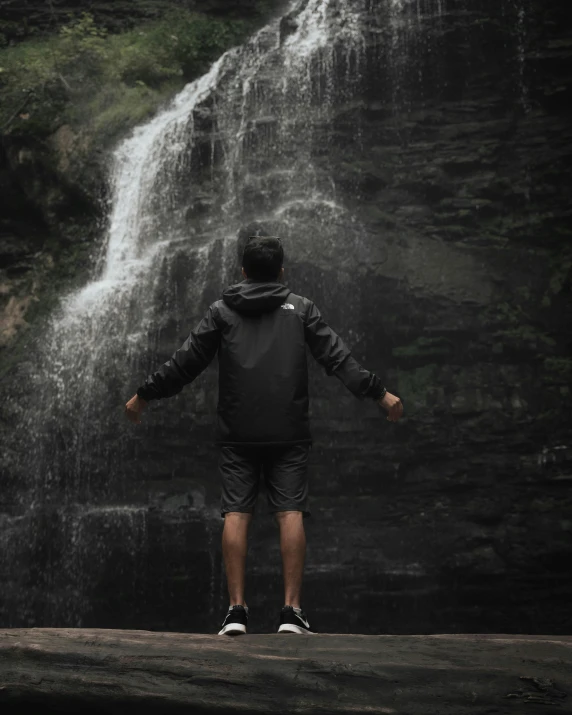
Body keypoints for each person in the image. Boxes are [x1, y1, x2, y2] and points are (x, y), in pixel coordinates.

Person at [125, 232, 403, 636]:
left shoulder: (222, 312)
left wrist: (144, 394)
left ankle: (236, 611)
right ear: (281, 271)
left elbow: (185, 363)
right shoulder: (301, 308)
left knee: (236, 513)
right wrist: (380, 393)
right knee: (290, 513)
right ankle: (291, 613)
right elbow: (336, 357)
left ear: (242, 271)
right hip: (288, 431)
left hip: (238, 433)